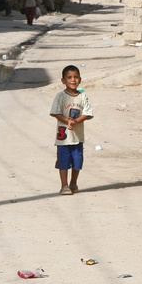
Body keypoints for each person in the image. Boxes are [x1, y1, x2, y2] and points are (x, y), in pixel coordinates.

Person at [50, 65, 93, 195]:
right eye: (69, 77)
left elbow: (87, 113)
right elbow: (55, 112)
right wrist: (66, 121)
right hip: (63, 138)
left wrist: (76, 121)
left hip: (77, 137)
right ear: (63, 80)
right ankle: (64, 185)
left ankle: (74, 183)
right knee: (63, 162)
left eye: (76, 77)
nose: (73, 80)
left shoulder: (83, 96)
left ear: (80, 79)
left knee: (77, 161)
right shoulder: (61, 96)